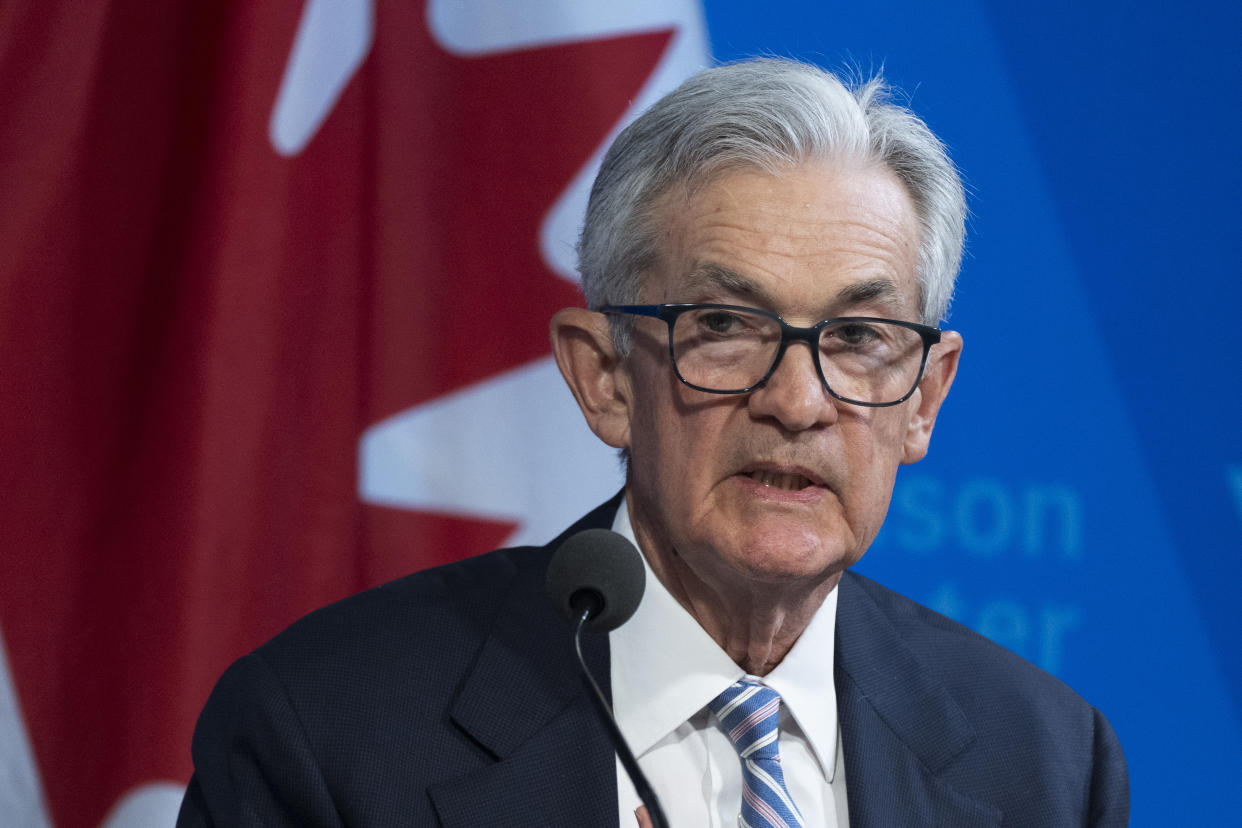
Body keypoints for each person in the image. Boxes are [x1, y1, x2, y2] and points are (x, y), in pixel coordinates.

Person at [178, 58, 1128, 827]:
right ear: (604, 376)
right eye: (725, 325)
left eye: (857, 338)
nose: (797, 402)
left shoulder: (1046, 763)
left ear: (922, 398)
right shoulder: (328, 733)